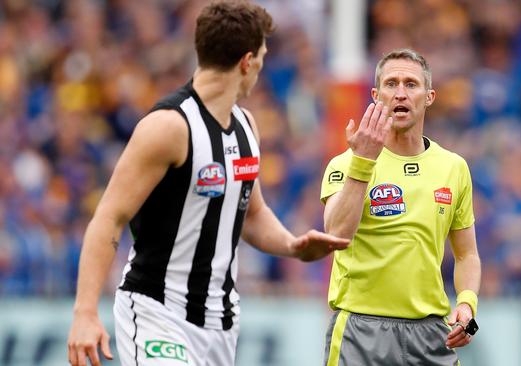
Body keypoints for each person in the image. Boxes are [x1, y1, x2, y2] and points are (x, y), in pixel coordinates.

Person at [67, 2, 349, 365]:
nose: (261, 69)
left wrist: (293, 245)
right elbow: (109, 218)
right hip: (158, 313)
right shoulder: (168, 127)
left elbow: (251, 213)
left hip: (221, 325)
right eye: (261, 58)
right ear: (247, 62)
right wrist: (85, 312)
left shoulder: (247, 126)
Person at [320, 48, 481, 365]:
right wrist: (363, 163)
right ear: (376, 95)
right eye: (391, 84)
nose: (401, 93)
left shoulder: (453, 167)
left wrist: (467, 302)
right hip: (361, 330)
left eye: (411, 84)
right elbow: (336, 233)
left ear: (430, 96)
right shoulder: (347, 163)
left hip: (431, 332)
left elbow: (467, 254)